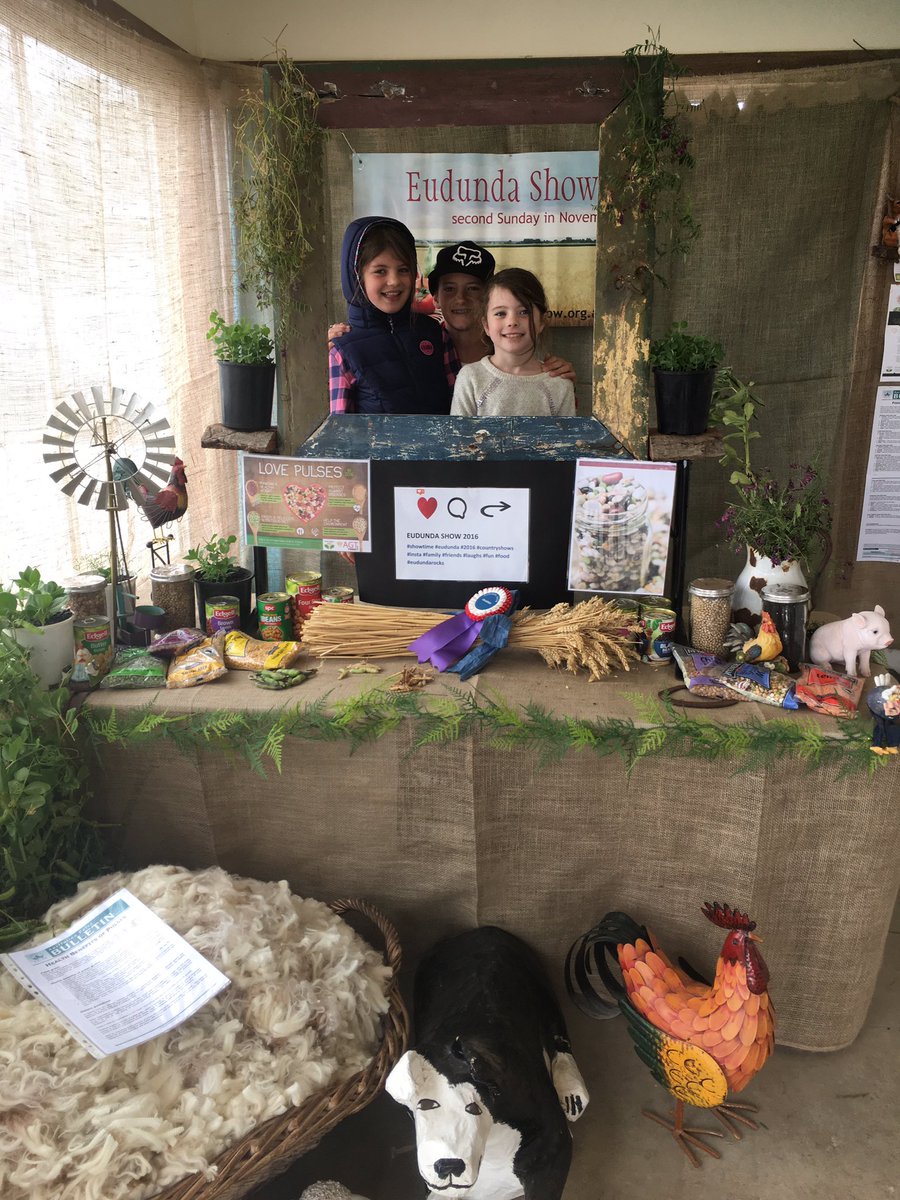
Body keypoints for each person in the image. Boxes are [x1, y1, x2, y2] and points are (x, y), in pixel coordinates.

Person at [329, 238, 576, 381]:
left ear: (491, 299)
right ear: (434, 296)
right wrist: (341, 341)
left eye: (473, 289)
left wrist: (559, 377)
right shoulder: (420, 342)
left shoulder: (510, 344)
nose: (461, 299)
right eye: (449, 289)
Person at [328, 215, 457, 415]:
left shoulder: (435, 333)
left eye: (403, 269)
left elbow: (458, 408)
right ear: (357, 277)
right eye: (380, 271)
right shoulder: (343, 350)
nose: (394, 281)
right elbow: (343, 432)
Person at [450, 268, 576, 418]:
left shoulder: (560, 384)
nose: (512, 322)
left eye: (524, 312)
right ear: (486, 325)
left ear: (542, 321)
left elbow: (567, 440)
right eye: (500, 313)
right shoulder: (470, 378)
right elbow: (458, 439)